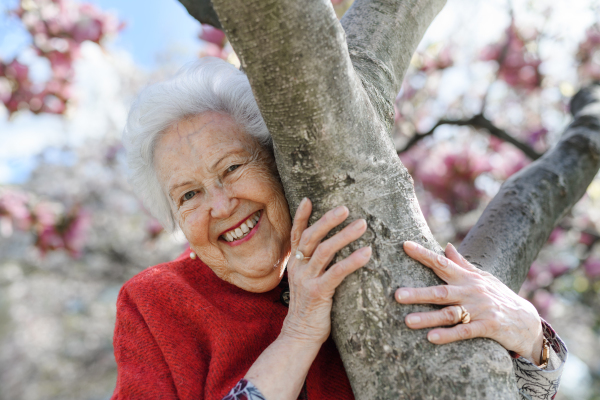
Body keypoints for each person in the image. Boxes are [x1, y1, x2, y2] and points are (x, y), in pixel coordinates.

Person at [112, 58, 567, 400]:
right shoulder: (156, 302)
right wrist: (300, 332)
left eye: (231, 167)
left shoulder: (365, 247)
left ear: (279, 165)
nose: (221, 204)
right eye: (188, 195)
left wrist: (531, 337)